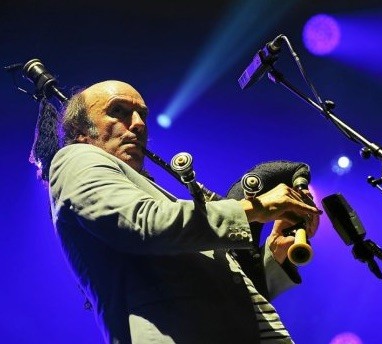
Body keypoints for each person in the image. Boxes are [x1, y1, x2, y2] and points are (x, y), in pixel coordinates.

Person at [38, 80, 321, 343]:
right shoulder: (75, 157)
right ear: (80, 133)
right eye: (119, 111)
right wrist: (253, 208)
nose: (137, 124)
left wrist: (275, 253)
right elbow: (144, 225)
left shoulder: (149, 191)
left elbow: (221, 296)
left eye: (142, 115)